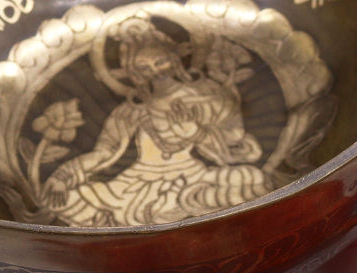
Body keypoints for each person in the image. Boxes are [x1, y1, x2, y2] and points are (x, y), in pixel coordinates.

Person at [42, 17, 271, 227]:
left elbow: (238, 146)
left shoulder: (206, 96)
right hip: (137, 183)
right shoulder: (130, 111)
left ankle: (160, 213)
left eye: (160, 62)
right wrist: (63, 176)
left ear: (174, 58)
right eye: (144, 67)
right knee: (66, 199)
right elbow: (103, 154)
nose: (155, 71)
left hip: (192, 177)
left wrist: (197, 133)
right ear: (134, 72)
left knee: (251, 178)